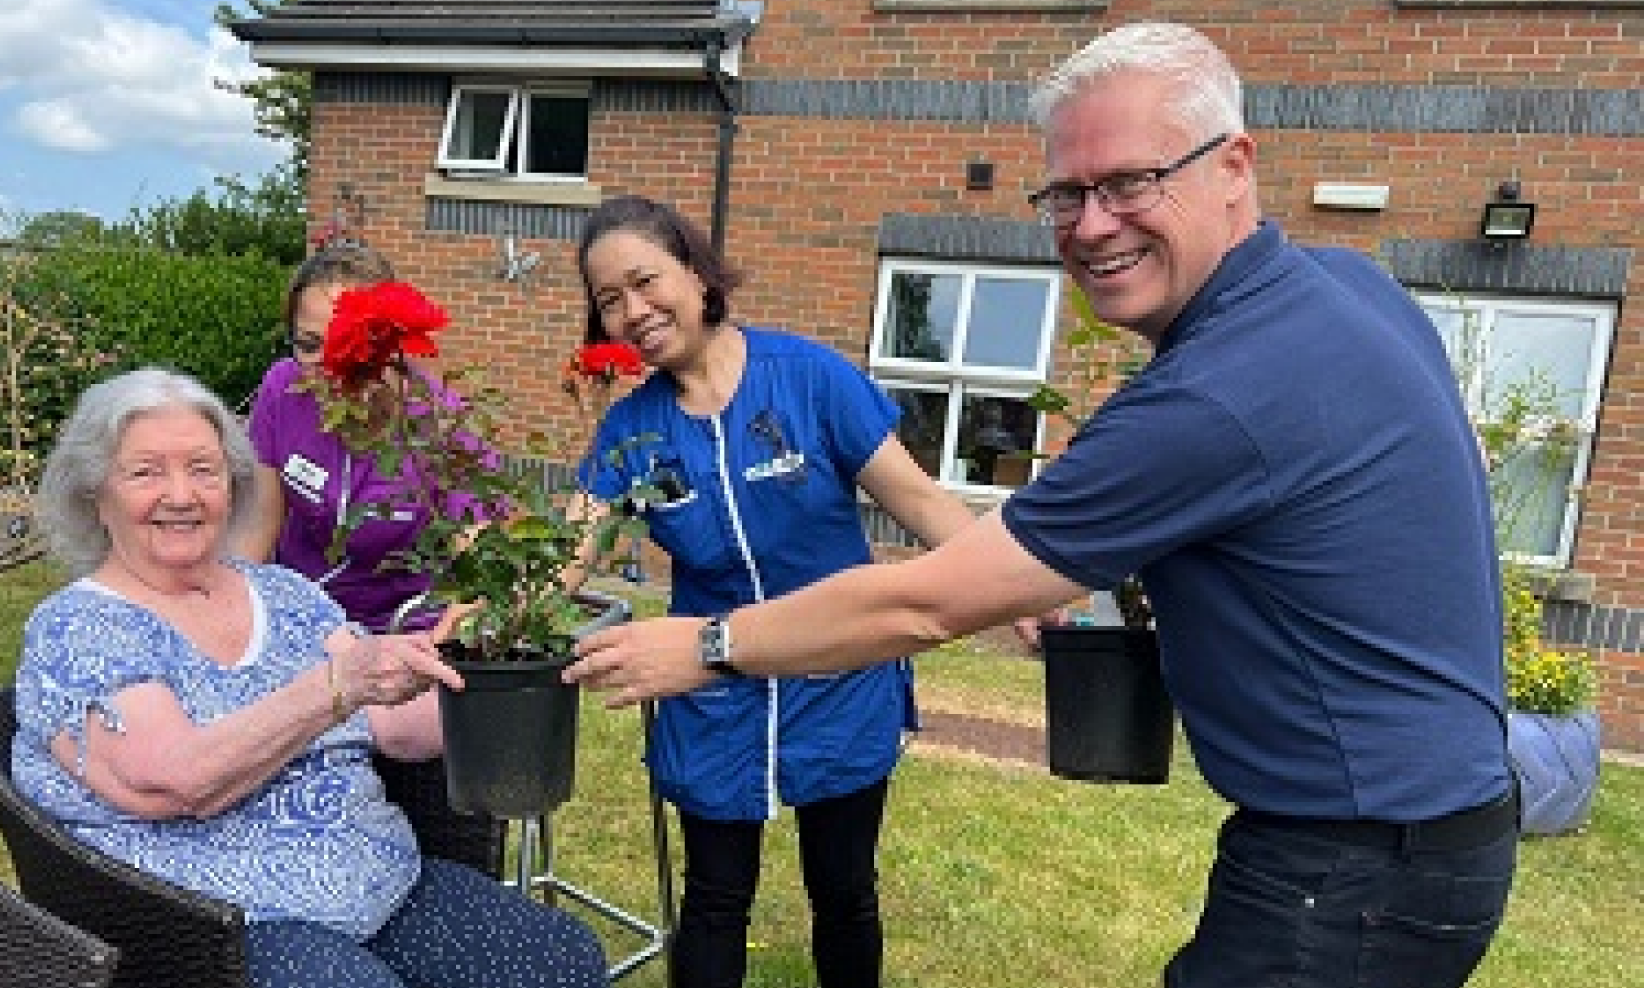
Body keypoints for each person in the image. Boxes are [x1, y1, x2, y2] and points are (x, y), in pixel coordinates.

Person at [567, 22, 1517, 988]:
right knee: (716, 895)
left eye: (1133, 181)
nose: (1093, 224)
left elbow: (926, 600)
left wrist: (708, 644)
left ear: (1235, 166)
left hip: (1355, 867)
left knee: (843, 889)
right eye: (1067, 193)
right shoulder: (1345, 285)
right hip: (1414, 832)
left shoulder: (1211, 393)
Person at [13, 367, 609, 988]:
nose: (182, 494)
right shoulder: (78, 627)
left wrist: (509, 670)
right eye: (146, 473)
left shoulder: (284, 595)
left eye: (203, 470)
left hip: (379, 879)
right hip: (218, 923)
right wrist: (334, 688)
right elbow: (177, 780)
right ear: (95, 494)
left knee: (559, 959)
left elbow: (393, 725)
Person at [573, 194, 981, 988]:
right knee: (715, 900)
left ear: (695, 273)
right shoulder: (632, 431)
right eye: (609, 300)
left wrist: (1014, 581)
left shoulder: (809, 379)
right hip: (711, 687)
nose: (633, 311)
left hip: (840, 679)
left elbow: (919, 498)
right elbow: (568, 548)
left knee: (844, 892)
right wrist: (490, 608)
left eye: (645, 282)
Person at [237, 242, 494, 634]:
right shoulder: (283, 390)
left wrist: (440, 638)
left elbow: (479, 567)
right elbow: (258, 526)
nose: (328, 363)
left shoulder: (445, 426)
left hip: (403, 630)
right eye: (308, 345)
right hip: (299, 619)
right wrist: (233, 612)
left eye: (347, 341)